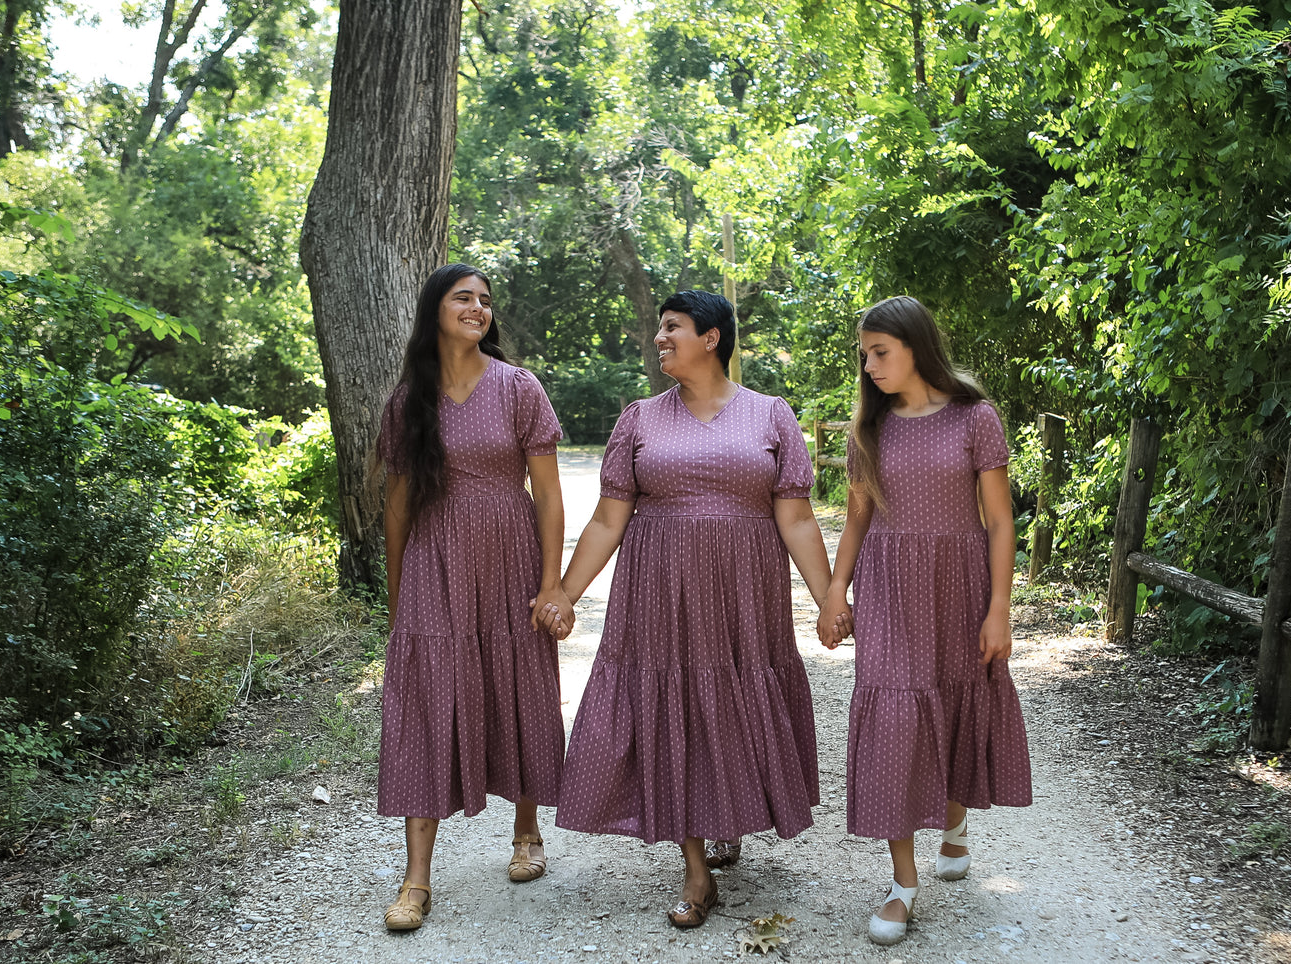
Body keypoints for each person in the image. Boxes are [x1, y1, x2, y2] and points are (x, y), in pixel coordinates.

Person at [552, 290, 834, 929]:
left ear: (712, 338)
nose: (660, 339)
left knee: (730, 696)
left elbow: (795, 516)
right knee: (673, 703)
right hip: (659, 591)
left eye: (672, 328)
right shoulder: (640, 419)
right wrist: (563, 593)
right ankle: (696, 871)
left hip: (745, 595)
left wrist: (828, 601)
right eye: (659, 329)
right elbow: (605, 519)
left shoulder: (770, 415)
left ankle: (726, 811)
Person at [818, 295, 1033, 945]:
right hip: (887, 589)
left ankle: (954, 820)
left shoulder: (975, 418)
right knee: (893, 720)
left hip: (958, 584)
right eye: (864, 354)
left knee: (951, 704)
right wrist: (834, 593)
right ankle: (901, 884)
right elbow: (856, 518)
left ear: (916, 347)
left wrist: (999, 609)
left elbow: (999, 520)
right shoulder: (870, 429)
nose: (870, 364)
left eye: (880, 351)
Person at [376, 263, 573, 932]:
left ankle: (526, 831)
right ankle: (415, 879)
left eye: (486, 300)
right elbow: (397, 508)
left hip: (510, 556)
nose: (478, 308)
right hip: (435, 560)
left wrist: (551, 582)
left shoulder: (518, 388)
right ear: (435, 309)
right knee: (424, 703)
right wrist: (400, 600)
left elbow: (547, 494)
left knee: (514, 684)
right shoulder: (409, 401)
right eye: (463, 298)